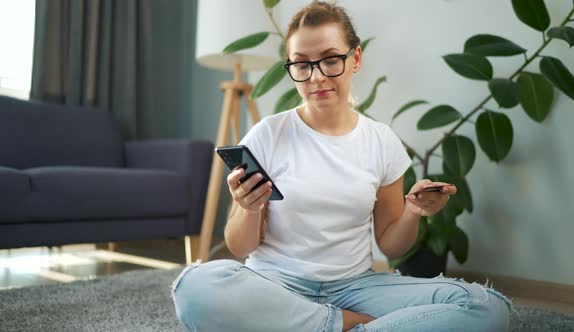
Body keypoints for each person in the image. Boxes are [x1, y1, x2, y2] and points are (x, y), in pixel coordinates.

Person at [172, 2, 512, 331]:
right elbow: (240, 248)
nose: (316, 77)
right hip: (276, 285)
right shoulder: (267, 135)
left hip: (356, 289)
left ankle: (323, 326)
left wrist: (412, 211)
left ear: (356, 59)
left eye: (330, 59)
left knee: (486, 307)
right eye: (302, 64)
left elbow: (392, 247)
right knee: (193, 286)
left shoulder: (382, 142)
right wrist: (247, 208)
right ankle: (343, 325)